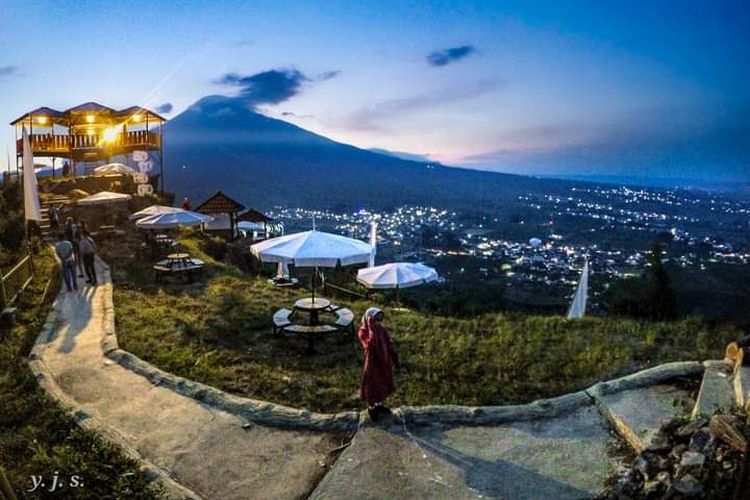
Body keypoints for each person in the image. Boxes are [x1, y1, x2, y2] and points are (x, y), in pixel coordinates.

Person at [358, 307, 399, 421]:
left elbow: (389, 344)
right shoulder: (363, 331)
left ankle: (379, 405)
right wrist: (371, 328)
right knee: (372, 384)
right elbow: (371, 344)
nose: (377, 322)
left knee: (382, 383)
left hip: (383, 360)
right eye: (375, 319)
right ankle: (371, 407)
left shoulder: (381, 329)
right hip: (372, 362)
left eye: (379, 319)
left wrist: (395, 359)